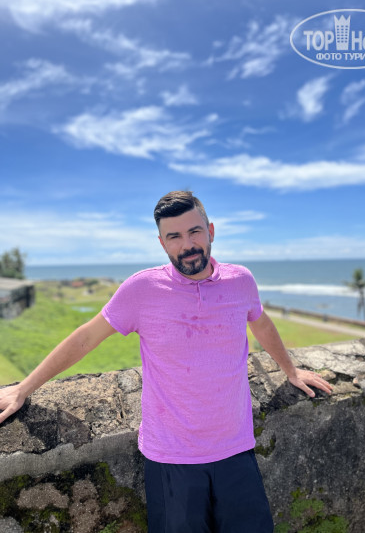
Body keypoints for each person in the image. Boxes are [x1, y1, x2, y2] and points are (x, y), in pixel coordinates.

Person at [0, 190, 333, 532]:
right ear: (162, 243)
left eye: (195, 232)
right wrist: (23, 389)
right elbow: (85, 338)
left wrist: (290, 370)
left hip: (236, 448)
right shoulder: (142, 289)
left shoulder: (241, 281)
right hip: (172, 457)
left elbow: (260, 322)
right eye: (174, 236)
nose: (187, 245)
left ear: (211, 232)